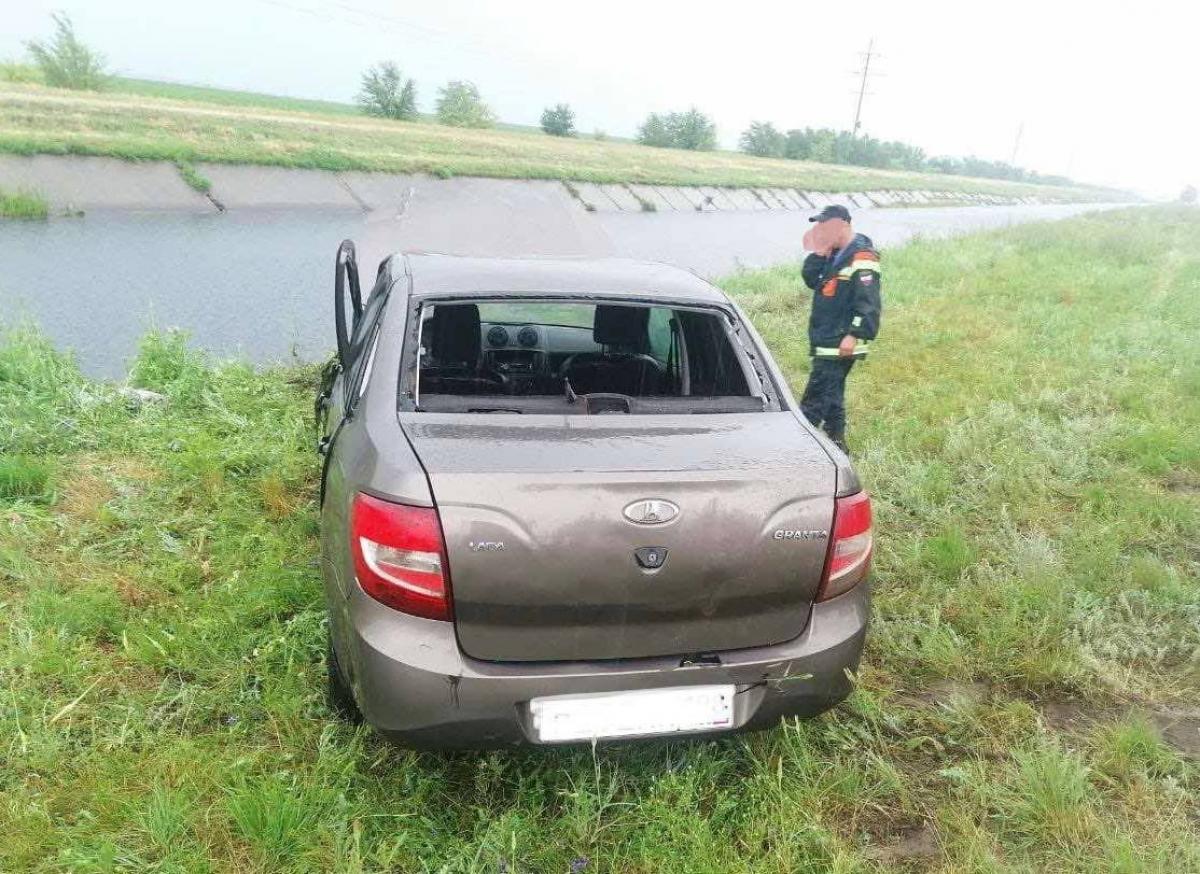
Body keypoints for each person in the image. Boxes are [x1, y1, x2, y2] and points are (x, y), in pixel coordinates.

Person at [798, 204, 882, 454]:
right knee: (832, 396)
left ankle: (800, 447)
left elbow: (869, 302)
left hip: (840, 342)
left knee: (815, 398)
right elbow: (811, 279)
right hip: (826, 338)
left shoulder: (862, 257)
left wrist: (854, 335)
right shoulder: (833, 253)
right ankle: (837, 446)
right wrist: (819, 252)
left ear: (844, 224)